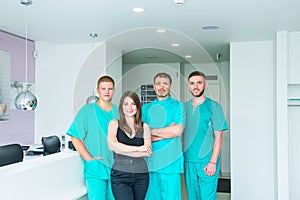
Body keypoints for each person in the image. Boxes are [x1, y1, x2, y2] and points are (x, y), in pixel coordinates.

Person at [66, 75, 118, 200]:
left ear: (114, 90)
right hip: (96, 167)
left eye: (110, 89)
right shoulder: (87, 111)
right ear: (97, 90)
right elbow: (75, 138)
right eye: (103, 88)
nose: (106, 92)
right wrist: (89, 159)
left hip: (116, 167)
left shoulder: (119, 111)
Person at [183, 71, 228, 200]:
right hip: (189, 161)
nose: (195, 86)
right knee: (193, 197)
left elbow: (219, 136)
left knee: (207, 197)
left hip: (207, 161)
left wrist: (213, 162)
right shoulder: (183, 107)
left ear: (205, 85)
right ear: (188, 86)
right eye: (192, 83)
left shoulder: (214, 106)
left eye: (199, 82)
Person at [142, 72, 186, 200]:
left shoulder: (178, 106)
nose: (161, 87)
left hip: (171, 162)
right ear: (154, 86)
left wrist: (151, 131)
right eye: (158, 84)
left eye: (165, 83)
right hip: (150, 162)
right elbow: (141, 133)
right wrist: (167, 132)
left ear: (170, 86)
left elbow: (177, 131)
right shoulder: (146, 108)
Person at [107, 91, 152, 200]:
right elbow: (112, 147)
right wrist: (140, 149)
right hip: (120, 174)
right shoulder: (114, 124)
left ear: (138, 106)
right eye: (126, 104)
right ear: (122, 107)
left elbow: (147, 152)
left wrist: (120, 148)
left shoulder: (144, 126)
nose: (130, 107)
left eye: (133, 104)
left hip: (141, 174)